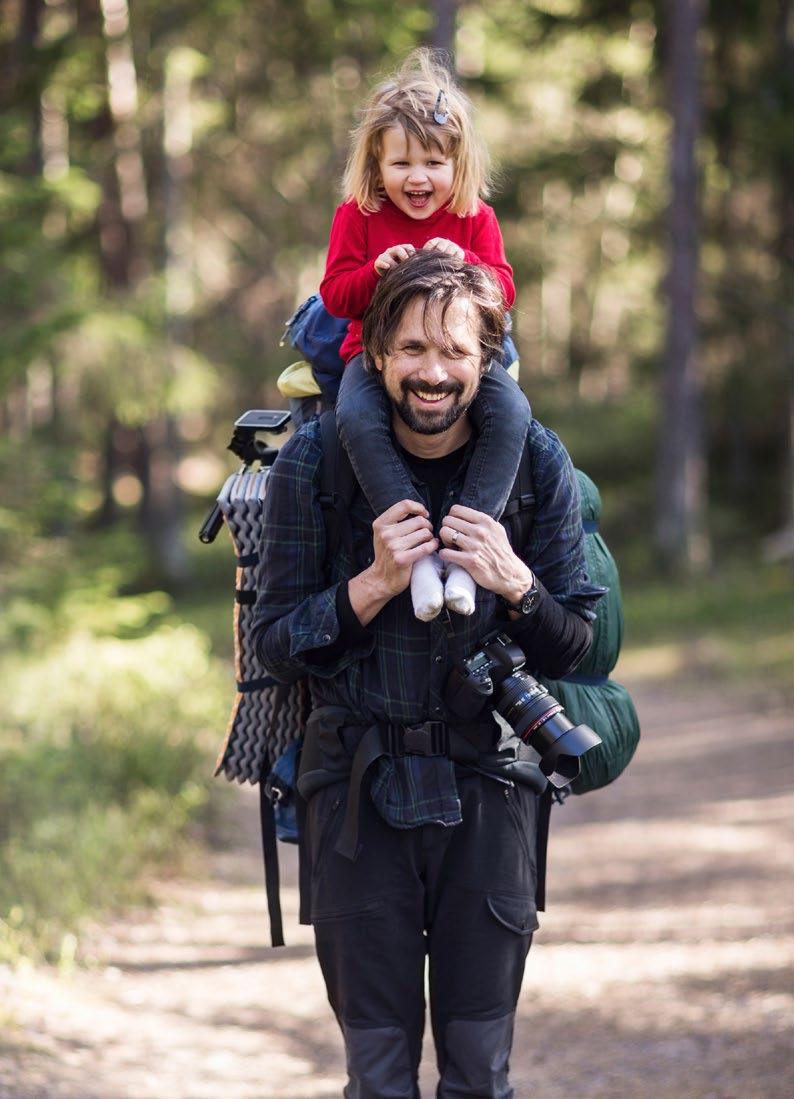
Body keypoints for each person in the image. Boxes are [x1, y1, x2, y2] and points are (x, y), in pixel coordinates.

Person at [253, 252, 601, 1098]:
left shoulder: (534, 462)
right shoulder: (313, 466)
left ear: (486, 359)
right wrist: (370, 585)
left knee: (480, 1073)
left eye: (453, 351)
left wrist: (513, 582)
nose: (432, 372)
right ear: (374, 354)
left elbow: (577, 647)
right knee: (377, 1074)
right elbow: (274, 643)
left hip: (489, 789)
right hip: (355, 799)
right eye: (410, 349)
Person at [321, 49, 531, 622]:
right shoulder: (358, 216)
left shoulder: (474, 218)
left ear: (457, 166)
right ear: (376, 164)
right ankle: (414, 559)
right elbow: (335, 295)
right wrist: (376, 273)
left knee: (512, 414)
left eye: (435, 162)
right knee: (356, 419)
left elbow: (504, 291)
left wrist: (464, 262)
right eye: (402, 163)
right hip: (374, 357)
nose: (418, 178)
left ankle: (464, 556)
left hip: (466, 362)